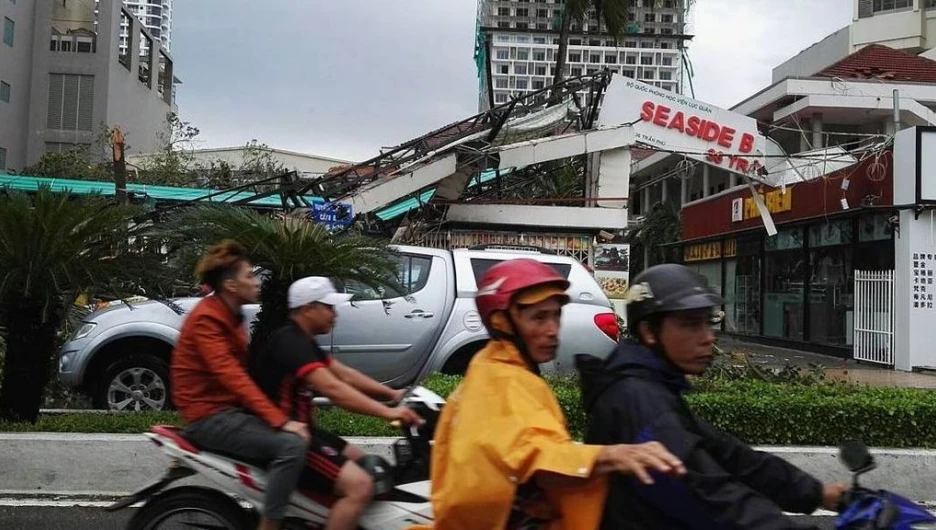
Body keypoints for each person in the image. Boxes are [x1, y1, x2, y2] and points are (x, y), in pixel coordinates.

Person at [414, 259, 687, 530]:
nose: (553, 330)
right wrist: (612, 455)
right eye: (539, 318)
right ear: (503, 322)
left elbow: (518, 447)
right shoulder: (502, 380)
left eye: (556, 315)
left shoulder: (491, 366)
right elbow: (534, 457)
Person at [576, 263, 849, 530]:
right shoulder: (638, 400)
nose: (708, 338)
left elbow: (733, 457)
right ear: (649, 332)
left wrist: (818, 493)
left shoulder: (654, 386)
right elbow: (711, 497)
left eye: (708, 323)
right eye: (691, 324)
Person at [250, 276, 423, 530]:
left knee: (362, 460)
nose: (335, 314)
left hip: (304, 430)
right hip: (287, 437)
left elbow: (345, 374)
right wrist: (388, 412)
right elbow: (334, 389)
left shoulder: (301, 339)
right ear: (308, 308)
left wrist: (393, 394)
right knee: (361, 486)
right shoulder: (290, 342)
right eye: (329, 307)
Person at [171, 240, 310, 530]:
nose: (257, 281)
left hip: (227, 411)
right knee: (291, 446)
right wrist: (280, 421)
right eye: (250, 276)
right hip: (210, 417)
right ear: (231, 285)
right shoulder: (207, 319)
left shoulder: (228, 314)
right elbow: (231, 376)